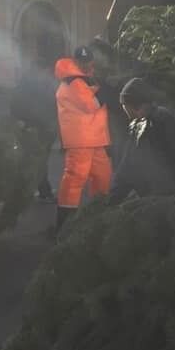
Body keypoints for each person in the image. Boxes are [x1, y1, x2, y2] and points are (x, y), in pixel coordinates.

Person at [109, 78, 175, 202]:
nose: (123, 108)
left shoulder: (163, 120)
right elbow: (127, 166)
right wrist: (113, 198)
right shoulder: (136, 126)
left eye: (124, 105)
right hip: (152, 197)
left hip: (172, 197)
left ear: (134, 104)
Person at [55, 46, 112, 230]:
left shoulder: (79, 80)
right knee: (75, 180)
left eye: (89, 61)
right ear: (76, 62)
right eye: (83, 62)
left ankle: (95, 216)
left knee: (102, 177)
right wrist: (106, 91)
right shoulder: (74, 82)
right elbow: (91, 104)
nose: (87, 65)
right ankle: (65, 224)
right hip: (82, 140)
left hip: (94, 138)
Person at [11, 60, 58, 201]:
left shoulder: (26, 83)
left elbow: (15, 105)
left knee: (33, 160)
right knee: (39, 161)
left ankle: (30, 190)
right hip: (39, 128)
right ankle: (44, 192)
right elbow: (50, 105)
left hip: (36, 127)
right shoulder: (39, 85)